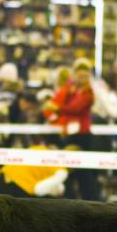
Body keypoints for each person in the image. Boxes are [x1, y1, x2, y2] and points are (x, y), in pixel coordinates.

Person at [43, 58, 100, 201]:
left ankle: (92, 200)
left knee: (84, 174)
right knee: (68, 171)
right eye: (79, 75)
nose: (82, 78)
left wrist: (56, 108)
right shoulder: (71, 90)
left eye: (85, 76)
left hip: (82, 136)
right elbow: (61, 101)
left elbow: (75, 109)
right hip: (70, 135)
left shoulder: (89, 94)